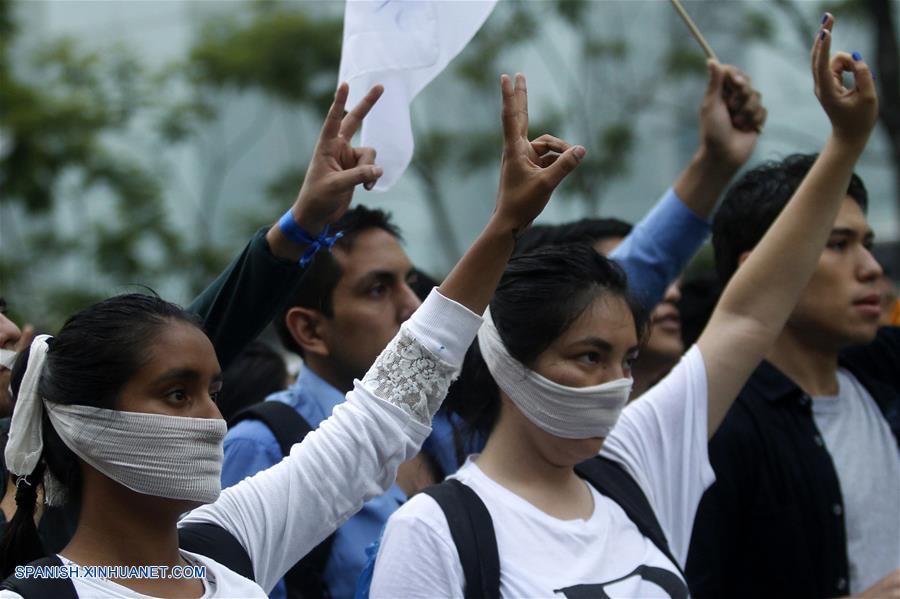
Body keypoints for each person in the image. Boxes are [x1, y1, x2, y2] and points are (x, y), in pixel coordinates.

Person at [0, 71, 587, 598]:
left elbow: (384, 412)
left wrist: (504, 225)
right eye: (178, 394)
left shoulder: (227, 546)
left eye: (213, 391)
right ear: (85, 424)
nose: (214, 420)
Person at [368, 16, 879, 598]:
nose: (615, 384)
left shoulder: (635, 464)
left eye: (627, 359)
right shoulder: (435, 532)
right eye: (589, 357)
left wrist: (844, 144)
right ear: (509, 358)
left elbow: (748, 316)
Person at [686, 104, 899, 599]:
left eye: (866, 243)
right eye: (838, 244)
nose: (870, 267)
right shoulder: (718, 428)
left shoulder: (881, 378)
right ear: (761, 267)